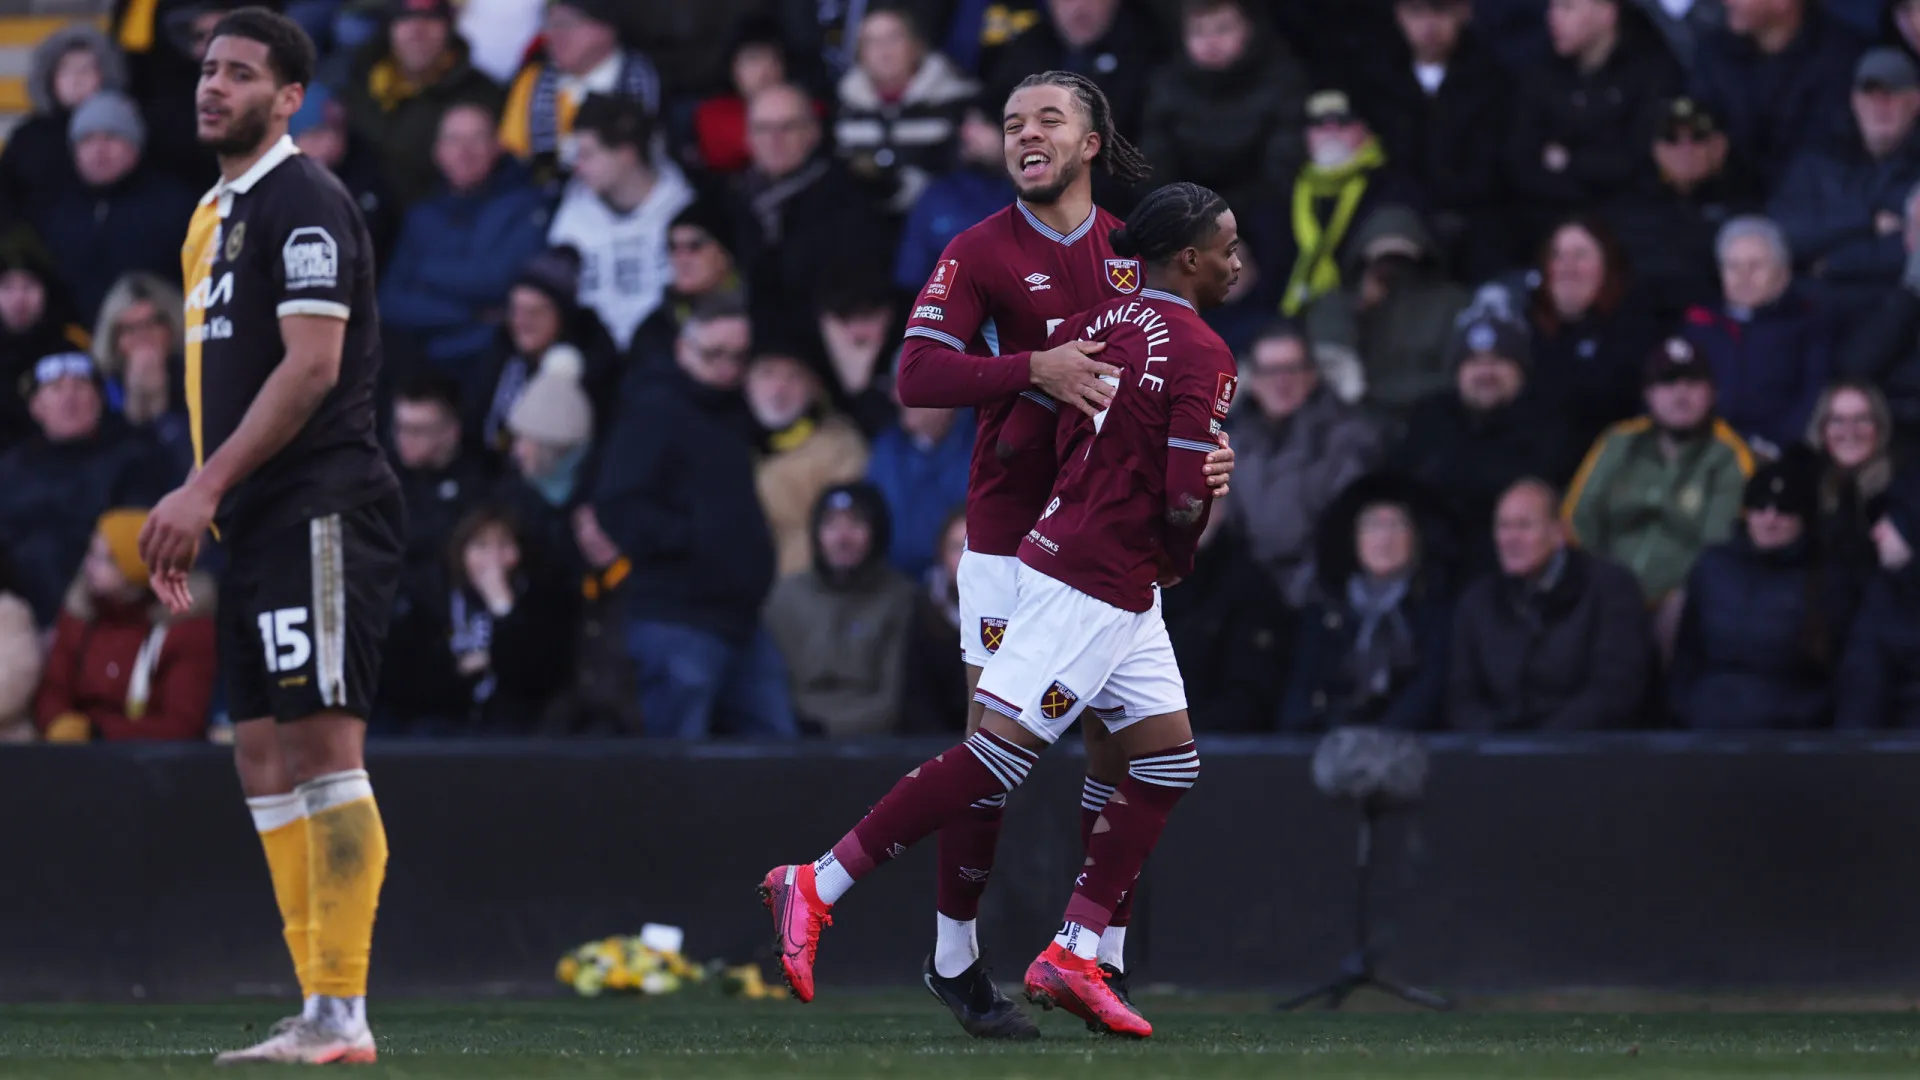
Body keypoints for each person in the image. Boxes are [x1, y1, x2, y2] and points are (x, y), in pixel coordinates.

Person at [761, 181, 1242, 1040]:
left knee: (1167, 763)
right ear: (1192, 259)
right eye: (1230, 246)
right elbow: (1179, 498)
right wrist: (1189, 529)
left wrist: (1087, 493)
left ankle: (1076, 949)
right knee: (997, 759)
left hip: (1074, 559)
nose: (1240, 260)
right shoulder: (1204, 351)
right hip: (1097, 581)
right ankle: (818, 881)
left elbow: (1045, 433)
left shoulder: (1099, 325)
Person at [889, 71, 1233, 1032]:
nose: (1025, 135)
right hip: (1009, 538)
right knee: (995, 754)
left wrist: (1205, 455)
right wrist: (1031, 366)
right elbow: (915, 373)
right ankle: (955, 956)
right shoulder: (980, 249)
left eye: (1048, 120)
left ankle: (1096, 957)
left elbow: (1177, 389)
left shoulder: (1139, 255)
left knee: (1130, 749)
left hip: (1110, 536)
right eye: (1010, 123)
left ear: (1091, 142)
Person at [135, 10, 403, 1064]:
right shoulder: (213, 212)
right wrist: (210, 502)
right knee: (258, 752)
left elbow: (309, 369)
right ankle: (314, 1003)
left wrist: (201, 489)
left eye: (240, 75)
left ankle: (343, 1010)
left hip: (322, 505)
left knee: (325, 745)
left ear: (291, 98)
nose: (214, 88)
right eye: (208, 71)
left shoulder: (305, 200)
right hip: (253, 517)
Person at [1563, 337, 1755, 605]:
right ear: (1648, 394)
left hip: (1681, 606)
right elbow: (1577, 520)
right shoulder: (1618, 441)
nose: (1680, 395)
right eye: (1667, 383)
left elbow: (1718, 549)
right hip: (1602, 595)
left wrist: (1680, 598)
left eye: (1692, 383)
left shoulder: (1730, 457)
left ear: (1713, 393)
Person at [1449, 478, 1653, 730]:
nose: (1510, 538)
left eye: (1524, 526)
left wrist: (1542, 744)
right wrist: (1498, 743)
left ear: (1558, 532)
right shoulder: (1478, 599)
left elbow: (1615, 690)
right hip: (1497, 753)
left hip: (1582, 752)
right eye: (1503, 526)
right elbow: (1462, 694)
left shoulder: (1610, 589)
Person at [1668, 455, 1844, 727]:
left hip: (1788, 732)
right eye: (1760, 507)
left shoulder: (1826, 578)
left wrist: (1803, 719)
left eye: (1784, 510)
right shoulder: (1712, 566)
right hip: (1706, 721)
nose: (1770, 520)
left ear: (1804, 519)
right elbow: (1686, 654)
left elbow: (1839, 672)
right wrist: (1686, 708)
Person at [1282, 479, 1451, 732]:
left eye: (1396, 525)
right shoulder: (1326, 609)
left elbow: (1429, 688)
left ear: (1415, 538)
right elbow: (1301, 690)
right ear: (1355, 539)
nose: (1384, 537)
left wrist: (1379, 740)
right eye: (1373, 526)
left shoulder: (1433, 608)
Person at [35, 508, 216, 742]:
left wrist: (97, 732)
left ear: (138, 569)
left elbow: (183, 724)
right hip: (75, 755)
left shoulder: (185, 628)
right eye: (91, 553)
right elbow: (53, 690)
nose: (89, 566)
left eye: (107, 560)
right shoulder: (79, 615)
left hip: (153, 764)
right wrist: (59, 723)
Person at [764, 483, 920, 735]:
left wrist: (829, 731)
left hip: (878, 744)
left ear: (877, 532)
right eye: (831, 525)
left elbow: (896, 699)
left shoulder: (902, 599)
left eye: (855, 524)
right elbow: (768, 691)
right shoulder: (784, 598)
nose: (842, 538)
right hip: (792, 741)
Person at [546, 94, 693, 354]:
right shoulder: (570, 215)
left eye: (588, 155)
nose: (579, 167)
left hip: (666, 357)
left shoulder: (685, 212)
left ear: (626, 154)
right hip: (588, 358)